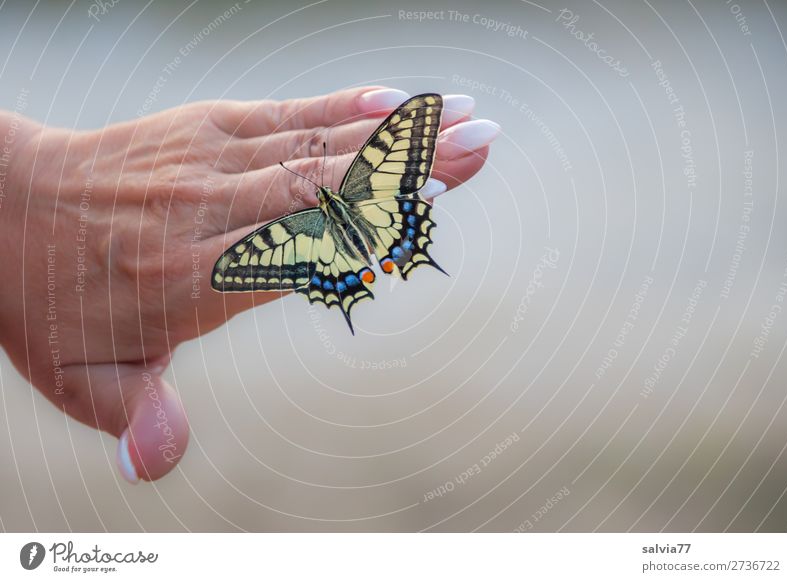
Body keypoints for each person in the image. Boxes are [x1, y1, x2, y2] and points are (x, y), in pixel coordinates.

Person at [0, 87, 499, 484]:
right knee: (294, 248)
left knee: (278, 253)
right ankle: (394, 245)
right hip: (380, 214)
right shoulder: (352, 189)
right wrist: (15, 176)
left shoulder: (299, 227)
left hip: (321, 245)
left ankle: (359, 268)